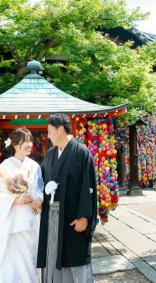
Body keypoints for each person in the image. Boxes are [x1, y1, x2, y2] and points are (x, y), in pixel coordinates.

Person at [37, 113, 98, 282]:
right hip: (52, 216)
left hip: (73, 217)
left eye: (49, 131)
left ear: (61, 129)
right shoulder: (50, 155)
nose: (47, 135)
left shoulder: (81, 152)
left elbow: (89, 186)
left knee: (74, 255)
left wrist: (84, 216)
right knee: (53, 255)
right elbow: (39, 181)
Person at [0, 128, 44, 283]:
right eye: (25, 141)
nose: (29, 144)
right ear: (15, 143)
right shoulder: (4, 167)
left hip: (30, 222)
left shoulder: (34, 166)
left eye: (30, 141)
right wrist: (14, 200)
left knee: (31, 263)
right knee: (12, 265)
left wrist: (40, 198)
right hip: (12, 224)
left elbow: (40, 188)